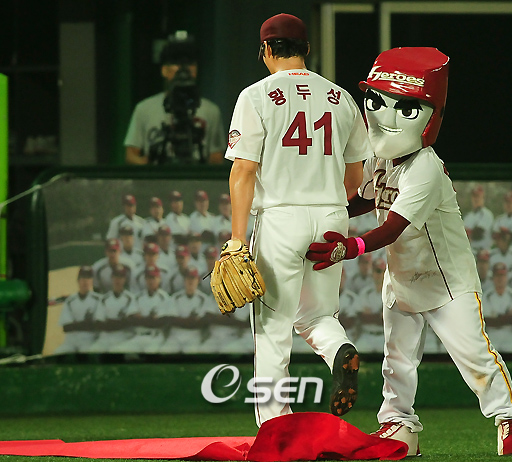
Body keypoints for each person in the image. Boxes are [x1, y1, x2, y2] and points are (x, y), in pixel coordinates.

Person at [306, 47, 512, 456]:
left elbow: (392, 227)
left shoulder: (426, 166)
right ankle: (399, 426)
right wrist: (323, 212)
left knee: (476, 358)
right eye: (377, 101)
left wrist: (349, 247)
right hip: (402, 278)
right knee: (396, 360)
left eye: (404, 107)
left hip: (447, 281)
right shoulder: (382, 158)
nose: (385, 116)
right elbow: (364, 200)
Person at [224, 13, 373, 426]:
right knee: (318, 315)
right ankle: (339, 349)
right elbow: (355, 176)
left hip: (280, 218)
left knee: (273, 328)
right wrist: (328, 205)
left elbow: (244, 171)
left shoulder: (256, 95)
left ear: (266, 50)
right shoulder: (341, 98)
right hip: (331, 216)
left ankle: (275, 426)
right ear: (307, 49)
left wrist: (237, 239)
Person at [124, 31, 226, 165]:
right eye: (176, 62)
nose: (183, 69)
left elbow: (216, 158)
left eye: (189, 62)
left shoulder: (211, 111)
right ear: (164, 69)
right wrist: (151, 166)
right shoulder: (144, 109)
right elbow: (131, 155)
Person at [55, 266, 102, 354]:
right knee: (58, 353)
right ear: (78, 280)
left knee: (87, 354)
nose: (85, 281)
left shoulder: (98, 299)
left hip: (89, 340)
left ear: (92, 281)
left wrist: (75, 325)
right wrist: (86, 323)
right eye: (83, 278)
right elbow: (66, 327)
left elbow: (97, 325)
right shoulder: (70, 300)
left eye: (88, 278)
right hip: (70, 341)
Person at [463, 185, 494, 252]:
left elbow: (478, 234)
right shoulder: (468, 216)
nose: (476, 199)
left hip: (483, 252)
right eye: (474, 196)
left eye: (478, 196)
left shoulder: (487, 214)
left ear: (483, 198)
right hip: (470, 251)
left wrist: (467, 233)